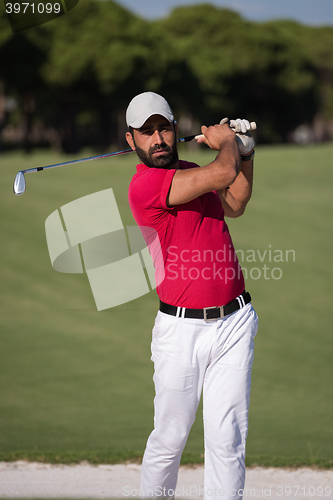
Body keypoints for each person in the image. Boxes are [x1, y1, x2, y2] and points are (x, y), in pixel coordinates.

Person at [126, 91, 259, 500]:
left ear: (175, 128)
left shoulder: (190, 171)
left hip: (234, 323)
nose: (158, 138)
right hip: (180, 331)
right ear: (131, 141)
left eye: (163, 128)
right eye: (146, 133)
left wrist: (246, 154)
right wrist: (229, 144)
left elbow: (234, 201)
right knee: (169, 439)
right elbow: (222, 175)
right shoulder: (146, 185)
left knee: (227, 440)